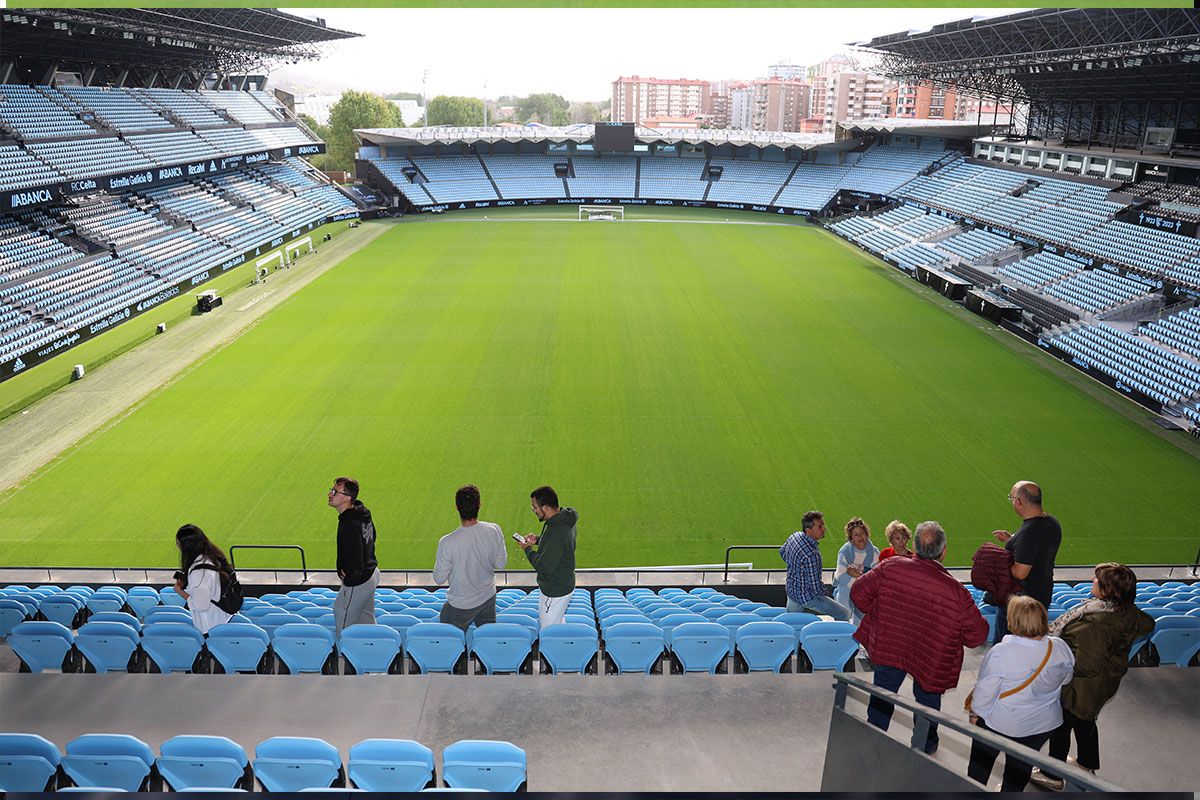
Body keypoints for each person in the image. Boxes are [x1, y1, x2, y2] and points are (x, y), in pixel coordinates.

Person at [852, 520, 989, 754]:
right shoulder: (956, 592)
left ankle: (873, 738)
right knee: (927, 703)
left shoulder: (891, 567)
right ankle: (925, 746)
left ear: (914, 545)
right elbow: (978, 635)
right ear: (943, 552)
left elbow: (858, 594)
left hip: (890, 646)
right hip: (931, 656)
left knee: (882, 694)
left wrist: (879, 612)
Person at [1030, 564, 1155, 791]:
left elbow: (1086, 665)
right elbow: (1148, 623)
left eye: (1097, 580)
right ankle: (1086, 764)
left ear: (1107, 590)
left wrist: (1058, 667)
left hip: (1081, 686)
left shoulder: (1096, 624)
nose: (1092, 580)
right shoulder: (1125, 612)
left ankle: (1053, 776)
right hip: (1104, 681)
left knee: (1061, 725)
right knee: (1085, 721)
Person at [967, 595, 1076, 792]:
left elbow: (984, 695)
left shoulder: (1001, 652)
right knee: (1018, 773)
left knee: (979, 768)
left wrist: (975, 715)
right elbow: (1066, 679)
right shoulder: (1060, 647)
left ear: (1013, 621)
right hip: (1042, 724)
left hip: (1000, 723)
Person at [991, 480, 1062, 642]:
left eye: (1012, 498)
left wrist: (998, 560)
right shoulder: (1052, 523)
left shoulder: (1028, 534)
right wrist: (1012, 540)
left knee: (1007, 646)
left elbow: (1020, 572)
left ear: (1019, 502)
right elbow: (1037, 549)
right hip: (1042, 595)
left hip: (1020, 605)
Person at [433, 485, 507, 632]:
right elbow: (501, 563)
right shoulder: (494, 530)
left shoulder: (447, 542)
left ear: (456, 507)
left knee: (449, 642)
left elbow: (439, 578)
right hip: (488, 598)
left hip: (460, 605)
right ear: (479, 505)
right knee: (487, 639)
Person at [516, 485, 578, 629]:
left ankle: (557, 651)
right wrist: (538, 540)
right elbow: (559, 547)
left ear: (546, 508)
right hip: (563, 583)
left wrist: (528, 549)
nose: (534, 510)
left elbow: (543, 567)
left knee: (548, 631)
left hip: (555, 591)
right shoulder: (564, 520)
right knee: (558, 625)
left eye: (535, 507)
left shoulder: (555, 532)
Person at [328, 476, 379, 635]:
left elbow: (356, 558)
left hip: (359, 580)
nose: (330, 494)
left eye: (335, 492)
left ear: (347, 498)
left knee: (342, 621)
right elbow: (373, 536)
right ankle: (372, 651)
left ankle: (344, 659)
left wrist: (349, 579)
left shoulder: (348, 523)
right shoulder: (361, 513)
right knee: (366, 621)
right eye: (331, 490)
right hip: (372, 574)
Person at [779, 511, 850, 621]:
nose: (824, 529)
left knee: (791, 623)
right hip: (806, 597)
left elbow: (782, 552)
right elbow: (815, 587)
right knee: (844, 614)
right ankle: (838, 638)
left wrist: (796, 569)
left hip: (792, 590)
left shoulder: (794, 536)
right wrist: (827, 595)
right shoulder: (812, 555)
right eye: (820, 527)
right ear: (808, 531)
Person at [173, 524, 232, 634]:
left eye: (178, 543)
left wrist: (180, 591)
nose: (177, 546)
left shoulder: (199, 573)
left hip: (211, 626)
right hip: (221, 618)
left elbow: (201, 605)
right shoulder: (211, 556)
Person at [833, 517, 879, 623]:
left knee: (861, 622)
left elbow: (875, 577)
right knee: (843, 616)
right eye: (856, 534)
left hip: (864, 591)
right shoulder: (844, 552)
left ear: (867, 534)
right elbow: (841, 575)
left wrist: (856, 575)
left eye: (862, 533)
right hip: (846, 588)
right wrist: (863, 577)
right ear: (851, 538)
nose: (860, 537)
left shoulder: (874, 552)